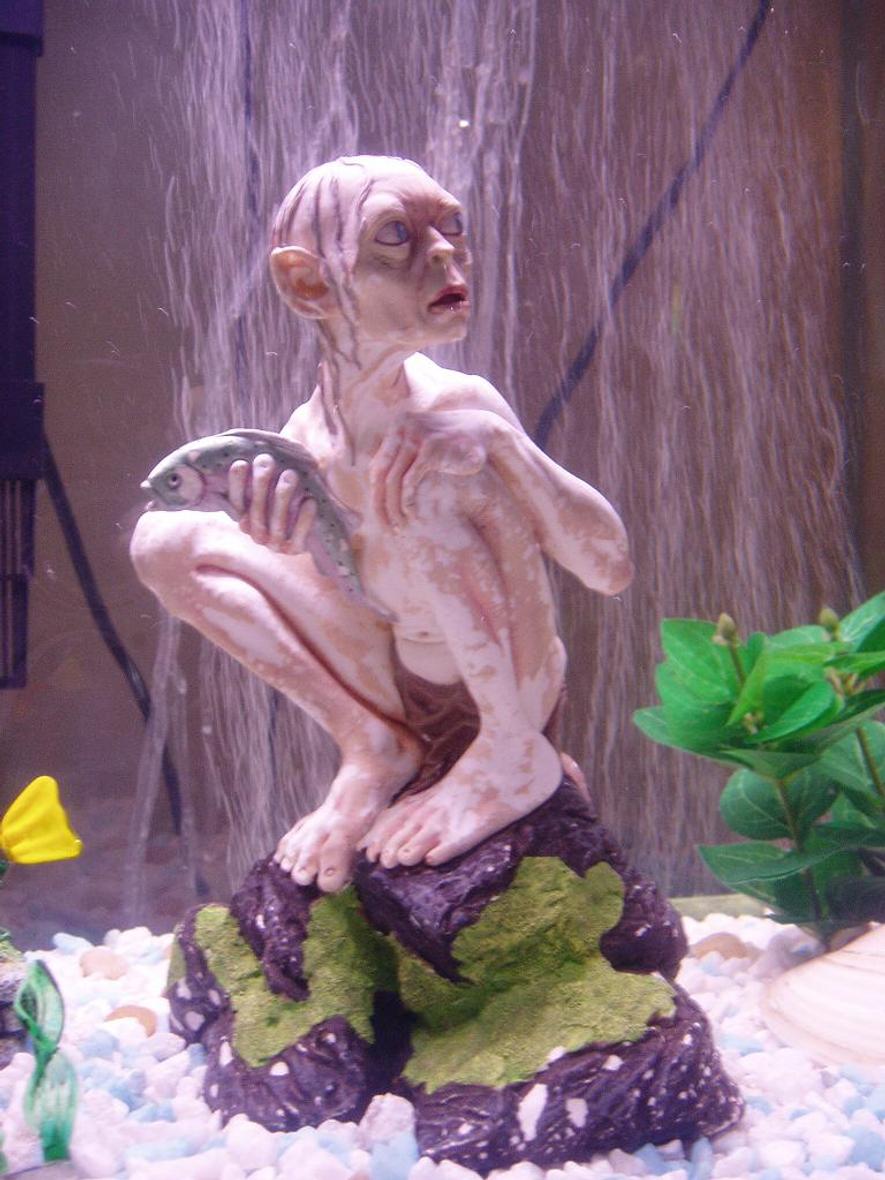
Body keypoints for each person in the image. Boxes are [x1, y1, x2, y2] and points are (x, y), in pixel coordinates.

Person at [131, 154, 632, 896]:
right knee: (164, 539)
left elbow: (609, 568)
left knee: (420, 473)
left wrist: (503, 445)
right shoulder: (304, 438)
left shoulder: (460, 404)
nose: (446, 252)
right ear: (307, 284)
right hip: (398, 684)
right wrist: (283, 538)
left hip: (513, 680)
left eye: (452, 226)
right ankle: (372, 747)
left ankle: (511, 750)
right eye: (396, 236)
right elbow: (346, 587)